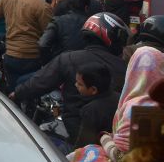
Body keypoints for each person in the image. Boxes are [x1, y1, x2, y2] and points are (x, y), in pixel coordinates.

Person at [11, 12, 129, 144]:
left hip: (74, 129)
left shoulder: (68, 58)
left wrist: (16, 94)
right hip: (112, 134)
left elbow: (40, 82)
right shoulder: (125, 67)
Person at [67, 47, 164, 162]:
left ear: (132, 70)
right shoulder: (158, 104)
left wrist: (104, 138)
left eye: (79, 84)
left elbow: (120, 156)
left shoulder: (132, 106)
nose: (75, 85)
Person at [72, 64, 119, 149]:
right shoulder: (120, 98)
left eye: (80, 84)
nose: (75, 85)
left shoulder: (91, 110)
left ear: (93, 90)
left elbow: (83, 143)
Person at [39, 0, 90, 64]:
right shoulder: (92, 23)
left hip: (60, 64)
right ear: (86, 8)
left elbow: (43, 44)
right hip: (85, 65)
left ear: (69, 5)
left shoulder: (58, 21)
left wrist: (49, 62)